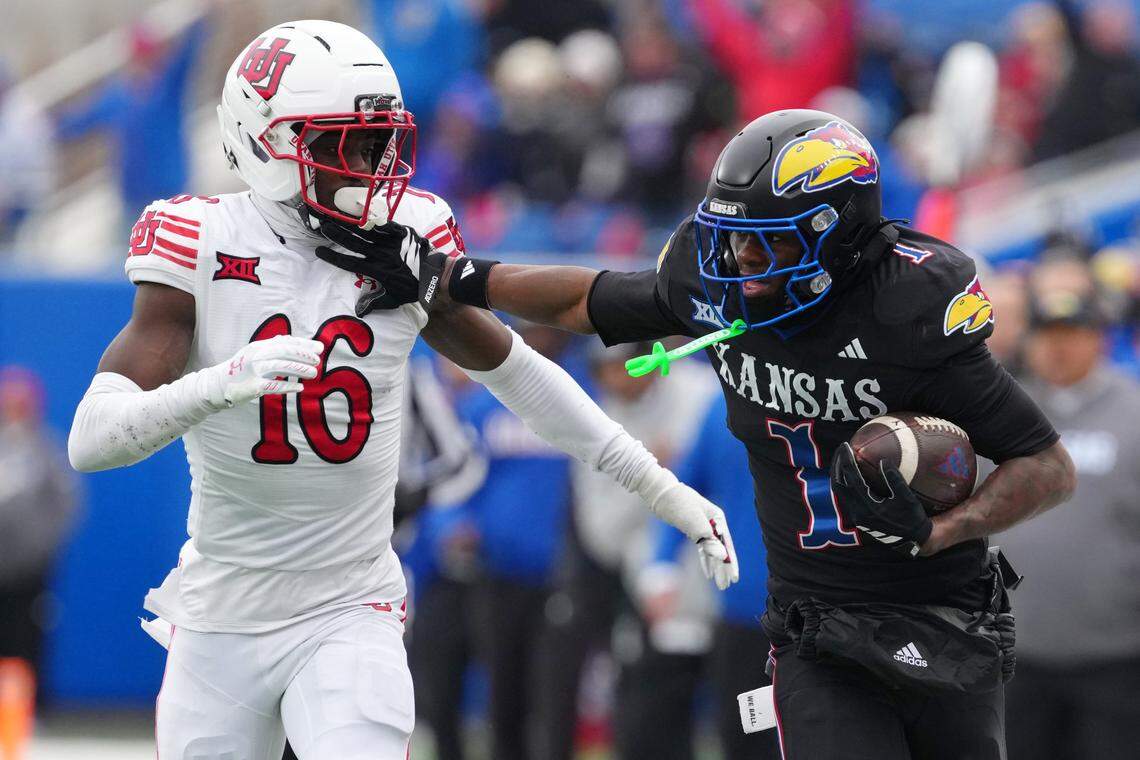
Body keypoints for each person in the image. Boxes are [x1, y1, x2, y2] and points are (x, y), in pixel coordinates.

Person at [65, 21, 738, 760]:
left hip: (350, 604)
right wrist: (219, 385)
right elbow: (91, 440)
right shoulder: (199, 240)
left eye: (380, 141)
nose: (371, 167)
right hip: (221, 613)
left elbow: (521, 376)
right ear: (264, 142)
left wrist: (660, 487)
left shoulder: (406, 242)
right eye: (342, 143)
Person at [332, 108, 1078, 758]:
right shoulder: (719, 289)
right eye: (735, 239)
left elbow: (1045, 464)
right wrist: (459, 278)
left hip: (942, 613)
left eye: (769, 243)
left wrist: (950, 527)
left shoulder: (907, 309)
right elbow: (594, 299)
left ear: (839, 236)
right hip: (817, 626)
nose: (742, 261)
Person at [999, 270, 1140, 760]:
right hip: (1017, 652)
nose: (1059, 348)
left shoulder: (1133, 414)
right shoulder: (1003, 413)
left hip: (1115, 657)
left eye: (1072, 335)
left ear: (1098, 338)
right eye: (1048, 335)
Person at [642, 391, 780, 759]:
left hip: (824, 615)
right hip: (744, 612)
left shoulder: (835, 393)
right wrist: (661, 564)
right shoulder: (722, 406)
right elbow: (685, 489)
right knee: (745, 738)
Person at [0, 367, 77, 757]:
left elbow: (65, 504)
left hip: (29, 571)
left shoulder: (45, 448)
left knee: (26, 640)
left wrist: (39, 547)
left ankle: (26, 714)